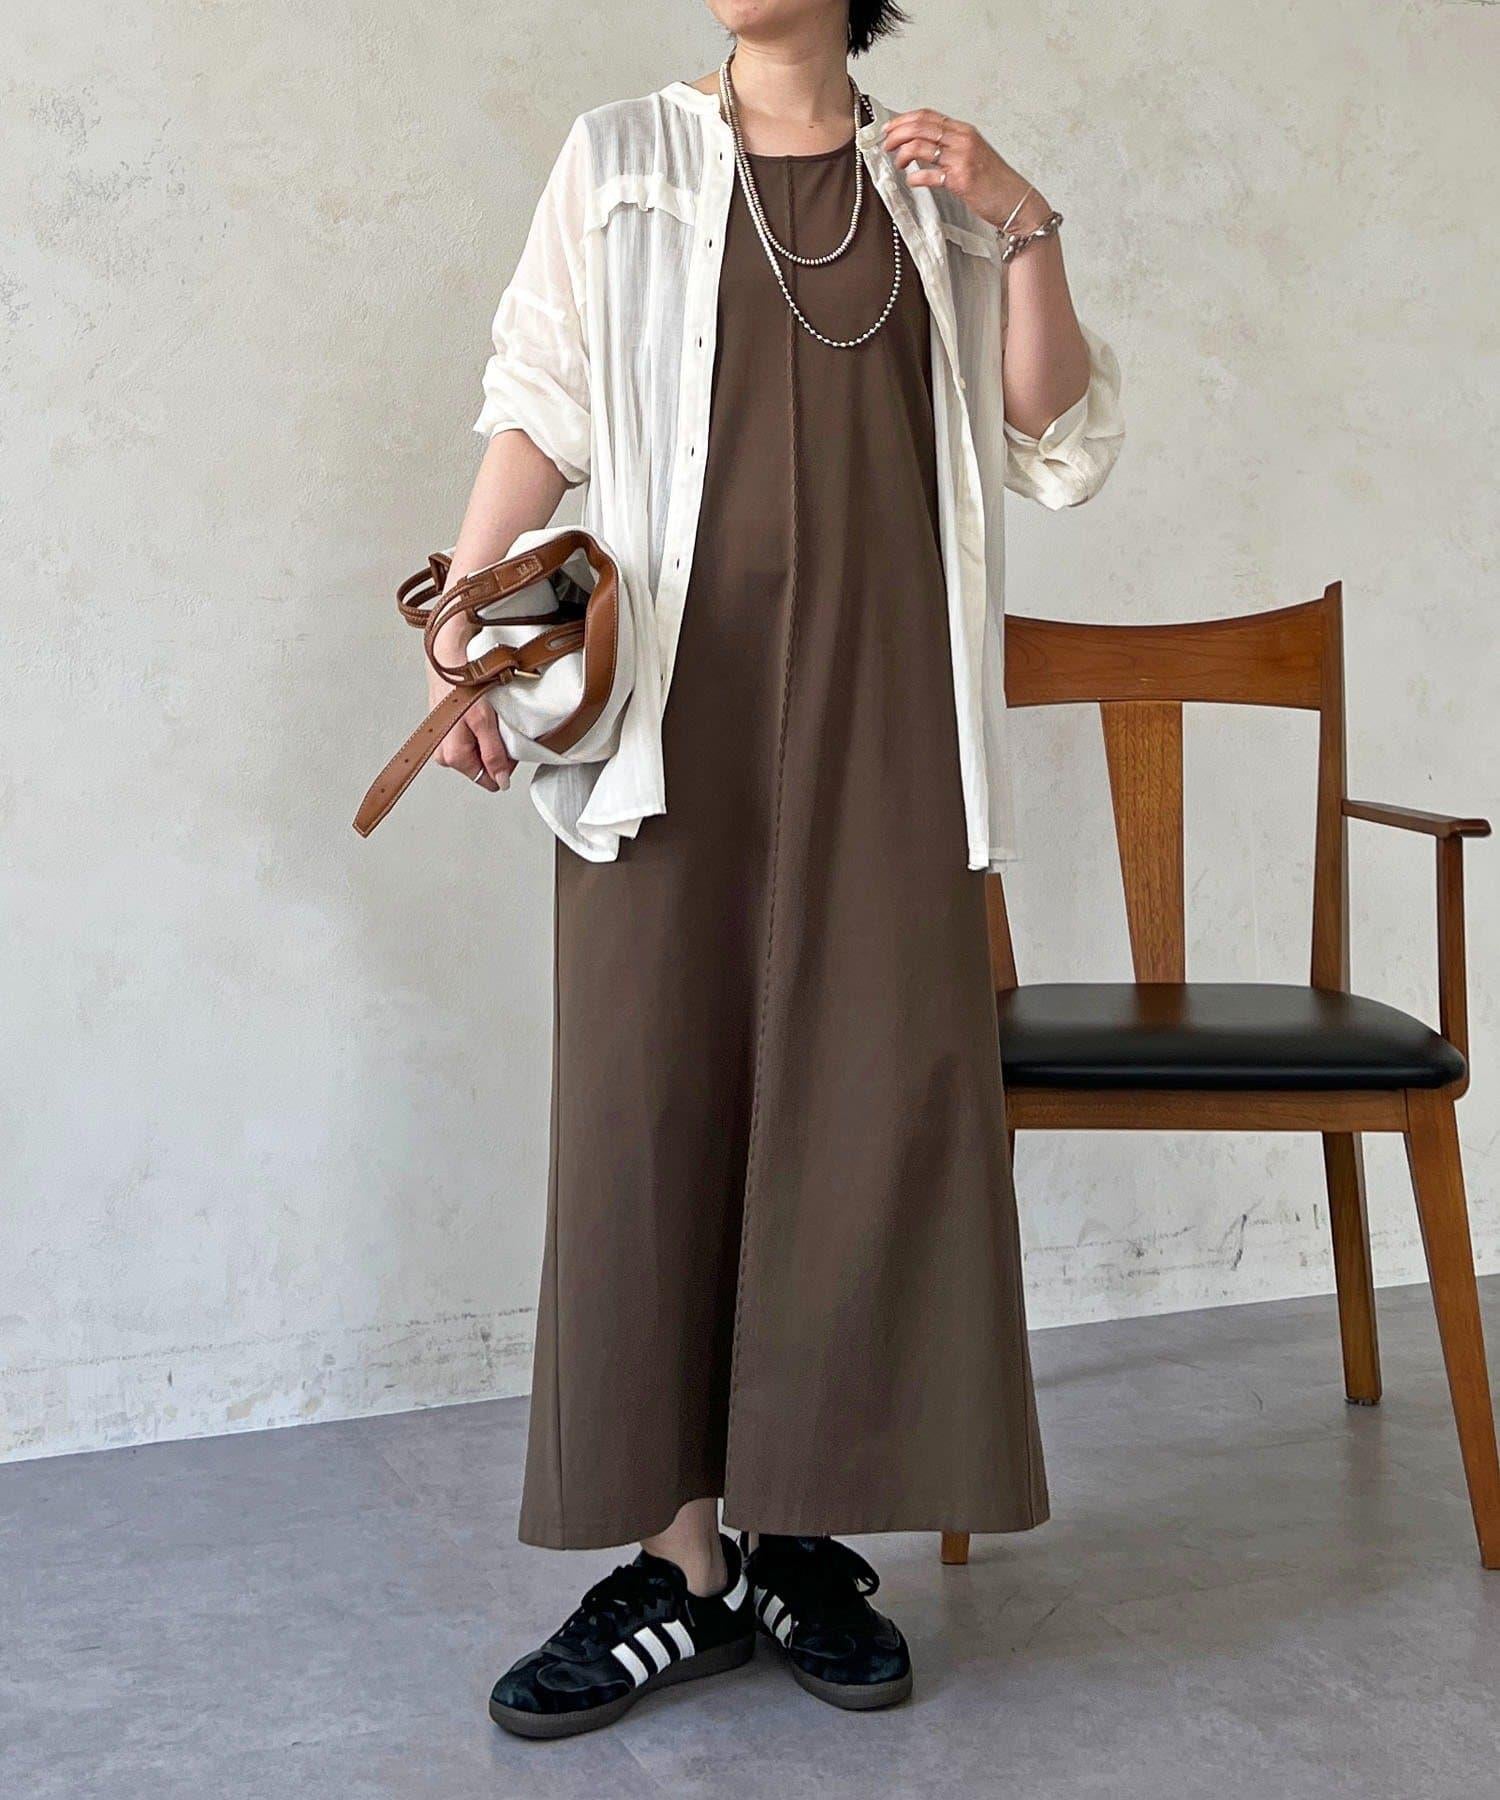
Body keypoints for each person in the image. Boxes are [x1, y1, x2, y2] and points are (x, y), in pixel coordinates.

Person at [428, 0, 1124, 1740]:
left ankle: (802, 1532)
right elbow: (540, 404)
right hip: (673, 713)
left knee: (863, 1112)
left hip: (891, 719)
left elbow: (1053, 435)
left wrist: (1026, 221)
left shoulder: (934, 186)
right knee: (649, 1102)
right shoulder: (621, 157)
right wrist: (463, 630)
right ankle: (681, 1570)